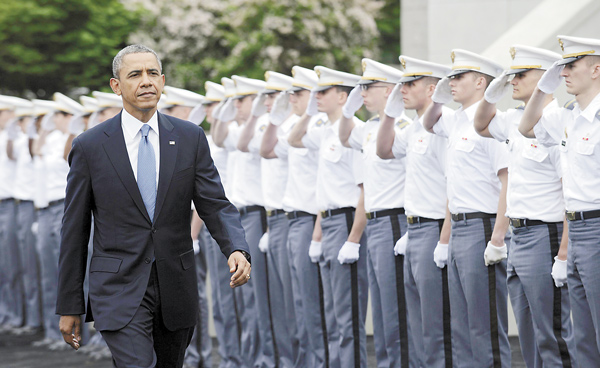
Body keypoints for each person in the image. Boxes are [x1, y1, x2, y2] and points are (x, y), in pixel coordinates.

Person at [55, 44, 251, 368]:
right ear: (116, 86)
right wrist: (69, 305)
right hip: (118, 292)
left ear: (163, 81)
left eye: (152, 73)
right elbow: (74, 230)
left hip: (176, 289)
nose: (146, 81)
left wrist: (237, 248)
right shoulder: (90, 146)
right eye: (135, 75)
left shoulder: (190, 138)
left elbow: (214, 203)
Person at [474, 45, 576, 367]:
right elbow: (480, 124)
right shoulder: (512, 120)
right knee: (529, 335)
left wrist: (562, 254)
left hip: (545, 236)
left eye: (521, 74)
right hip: (518, 239)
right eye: (511, 75)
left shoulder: (557, 123)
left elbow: (569, 193)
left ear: (546, 79)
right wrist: (491, 95)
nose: (513, 80)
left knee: (552, 333)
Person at [422, 49, 511, 367]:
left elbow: (506, 184)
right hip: (459, 227)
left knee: (484, 324)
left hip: (482, 226)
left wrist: (498, 238)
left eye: (458, 77)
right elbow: (429, 123)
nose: (451, 82)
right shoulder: (456, 121)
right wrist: (439, 98)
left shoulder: (492, 125)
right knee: (460, 325)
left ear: (480, 82)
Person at [519, 35, 600, 366]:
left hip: (597, 226)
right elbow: (526, 127)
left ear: (596, 69)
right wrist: (542, 87)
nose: (564, 73)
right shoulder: (567, 116)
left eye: (571, 66)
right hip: (578, 231)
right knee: (581, 335)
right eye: (561, 68)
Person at [338, 58, 417, 367]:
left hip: (396, 220)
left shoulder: (404, 128)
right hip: (375, 222)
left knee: (396, 310)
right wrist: (348, 110)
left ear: (388, 91)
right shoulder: (371, 129)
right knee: (382, 312)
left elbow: (416, 180)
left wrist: (410, 229)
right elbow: (345, 136)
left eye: (368, 88)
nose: (363, 93)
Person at [377, 55, 454, 367]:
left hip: (436, 229)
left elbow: (453, 187)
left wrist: (445, 240)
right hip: (416, 230)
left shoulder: (442, 126)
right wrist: (389, 113)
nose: (402, 89)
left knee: (436, 324)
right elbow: (383, 150)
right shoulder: (413, 130)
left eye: (410, 84)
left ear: (433, 88)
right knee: (418, 322)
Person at [288, 66, 367, 368]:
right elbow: (294, 140)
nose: (316, 96)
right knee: (333, 312)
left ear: (343, 97)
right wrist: (307, 113)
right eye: (315, 92)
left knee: (348, 315)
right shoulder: (324, 133)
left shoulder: (354, 133)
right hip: (329, 223)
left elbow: (364, 192)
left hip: (347, 222)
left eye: (323, 92)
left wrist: (354, 239)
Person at [260, 65, 330, 368]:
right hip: (289, 221)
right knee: (294, 303)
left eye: (298, 94)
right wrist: (277, 120)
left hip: (309, 220)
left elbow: (323, 183)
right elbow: (267, 150)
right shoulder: (297, 126)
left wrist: (318, 228)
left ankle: (318, 362)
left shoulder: (322, 125)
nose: (293, 99)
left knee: (310, 303)